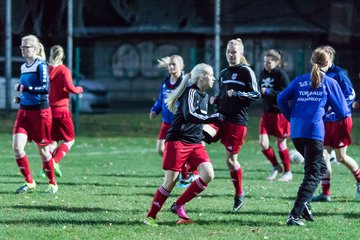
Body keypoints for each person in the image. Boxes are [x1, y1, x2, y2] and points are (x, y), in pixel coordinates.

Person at [144, 63, 223, 226]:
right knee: (170, 182)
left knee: (208, 174)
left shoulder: (205, 96)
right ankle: (151, 216)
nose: (214, 79)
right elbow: (190, 115)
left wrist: (206, 134)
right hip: (177, 141)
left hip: (195, 143)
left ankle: (178, 204)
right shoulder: (190, 92)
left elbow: (198, 122)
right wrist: (213, 117)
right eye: (211, 75)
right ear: (202, 77)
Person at [278, 47, 349, 226]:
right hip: (313, 132)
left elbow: (280, 99)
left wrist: (291, 118)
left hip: (297, 132)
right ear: (328, 62)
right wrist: (326, 115)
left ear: (312, 61)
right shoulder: (330, 82)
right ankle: (295, 214)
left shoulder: (299, 80)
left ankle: (306, 205)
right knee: (313, 173)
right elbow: (342, 112)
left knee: (320, 167)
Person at [203, 38, 261, 211]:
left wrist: (237, 93)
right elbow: (223, 97)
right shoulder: (223, 73)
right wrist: (216, 100)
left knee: (230, 160)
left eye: (234, 51)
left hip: (237, 122)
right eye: (228, 51)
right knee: (198, 137)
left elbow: (256, 94)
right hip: (220, 119)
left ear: (241, 53)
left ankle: (239, 195)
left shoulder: (246, 71)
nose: (231, 54)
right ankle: (194, 174)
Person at [311, 46, 359, 202]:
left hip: (339, 121)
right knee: (323, 155)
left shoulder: (339, 73)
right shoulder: (317, 74)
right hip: (325, 122)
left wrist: (337, 105)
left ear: (329, 58)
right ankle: (326, 193)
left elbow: (351, 94)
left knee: (340, 157)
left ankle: (359, 181)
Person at [13, 34, 58, 194]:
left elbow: (45, 89)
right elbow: (28, 90)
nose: (23, 50)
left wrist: (25, 90)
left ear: (36, 48)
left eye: (27, 47)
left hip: (40, 114)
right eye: (21, 47)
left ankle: (52, 184)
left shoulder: (41, 65)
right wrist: (21, 98)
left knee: (44, 151)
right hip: (24, 113)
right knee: (17, 148)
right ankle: (29, 182)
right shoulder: (23, 67)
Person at [149, 55, 199, 188]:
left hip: (180, 123)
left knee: (183, 150)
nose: (171, 67)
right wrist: (155, 109)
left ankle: (187, 173)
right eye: (170, 64)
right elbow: (161, 99)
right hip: (166, 122)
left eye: (174, 64)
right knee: (160, 149)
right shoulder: (166, 82)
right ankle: (182, 170)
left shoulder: (186, 82)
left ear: (181, 66)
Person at [39, 45, 83, 178]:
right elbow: (71, 88)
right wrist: (79, 89)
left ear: (50, 54)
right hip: (62, 111)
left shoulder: (45, 70)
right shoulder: (64, 70)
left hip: (48, 110)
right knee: (70, 139)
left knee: (53, 141)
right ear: (63, 56)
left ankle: (45, 169)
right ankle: (53, 162)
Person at [258, 49, 292, 181]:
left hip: (279, 114)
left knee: (281, 144)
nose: (266, 64)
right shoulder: (262, 73)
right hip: (266, 114)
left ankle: (288, 172)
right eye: (265, 62)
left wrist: (268, 92)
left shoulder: (281, 75)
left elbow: (286, 93)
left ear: (277, 62)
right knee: (263, 144)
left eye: (269, 62)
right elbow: (261, 90)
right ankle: (276, 166)